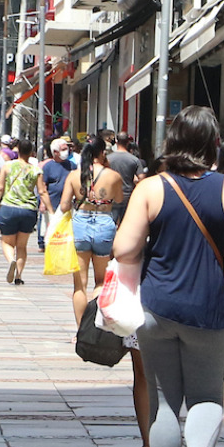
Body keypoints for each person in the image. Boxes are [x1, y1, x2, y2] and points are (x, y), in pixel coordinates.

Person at [112, 105, 224, 447]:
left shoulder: (151, 188)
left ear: (173, 141)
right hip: (209, 307)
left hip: (156, 306)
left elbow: (123, 248)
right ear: (214, 145)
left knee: (163, 403)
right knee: (207, 397)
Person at [60, 137, 123, 325]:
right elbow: (119, 200)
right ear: (102, 153)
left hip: (80, 223)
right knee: (101, 281)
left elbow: (64, 206)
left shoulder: (74, 175)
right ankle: (95, 326)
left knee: (79, 284)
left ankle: (81, 329)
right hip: (104, 223)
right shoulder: (113, 176)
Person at [0, 139, 50, 285]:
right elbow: (42, 191)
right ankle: (18, 275)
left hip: (8, 208)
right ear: (31, 153)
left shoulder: (7, 166)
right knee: (22, 246)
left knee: (7, 242)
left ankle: (11, 260)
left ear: (17, 151)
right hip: (28, 210)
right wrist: (51, 211)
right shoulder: (36, 170)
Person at [39, 138, 75, 250]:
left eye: (67, 149)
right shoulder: (48, 166)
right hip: (52, 204)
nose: (66, 151)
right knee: (52, 231)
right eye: (63, 149)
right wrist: (43, 203)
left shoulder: (72, 165)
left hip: (69, 205)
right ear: (55, 152)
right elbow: (43, 186)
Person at [107, 132, 145, 223]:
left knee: (111, 223)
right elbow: (142, 179)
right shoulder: (134, 160)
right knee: (125, 224)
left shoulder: (108, 159)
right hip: (128, 196)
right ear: (128, 142)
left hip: (112, 195)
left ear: (116, 142)